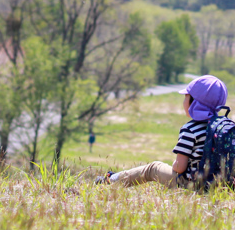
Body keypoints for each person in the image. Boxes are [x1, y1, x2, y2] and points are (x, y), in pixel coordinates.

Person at [97, 75, 228, 187]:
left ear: (194, 102)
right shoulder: (224, 129)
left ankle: (110, 181)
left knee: (153, 168)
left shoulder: (190, 129)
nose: (184, 102)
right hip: (222, 186)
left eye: (186, 97)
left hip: (193, 185)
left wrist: (175, 164)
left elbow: (179, 168)